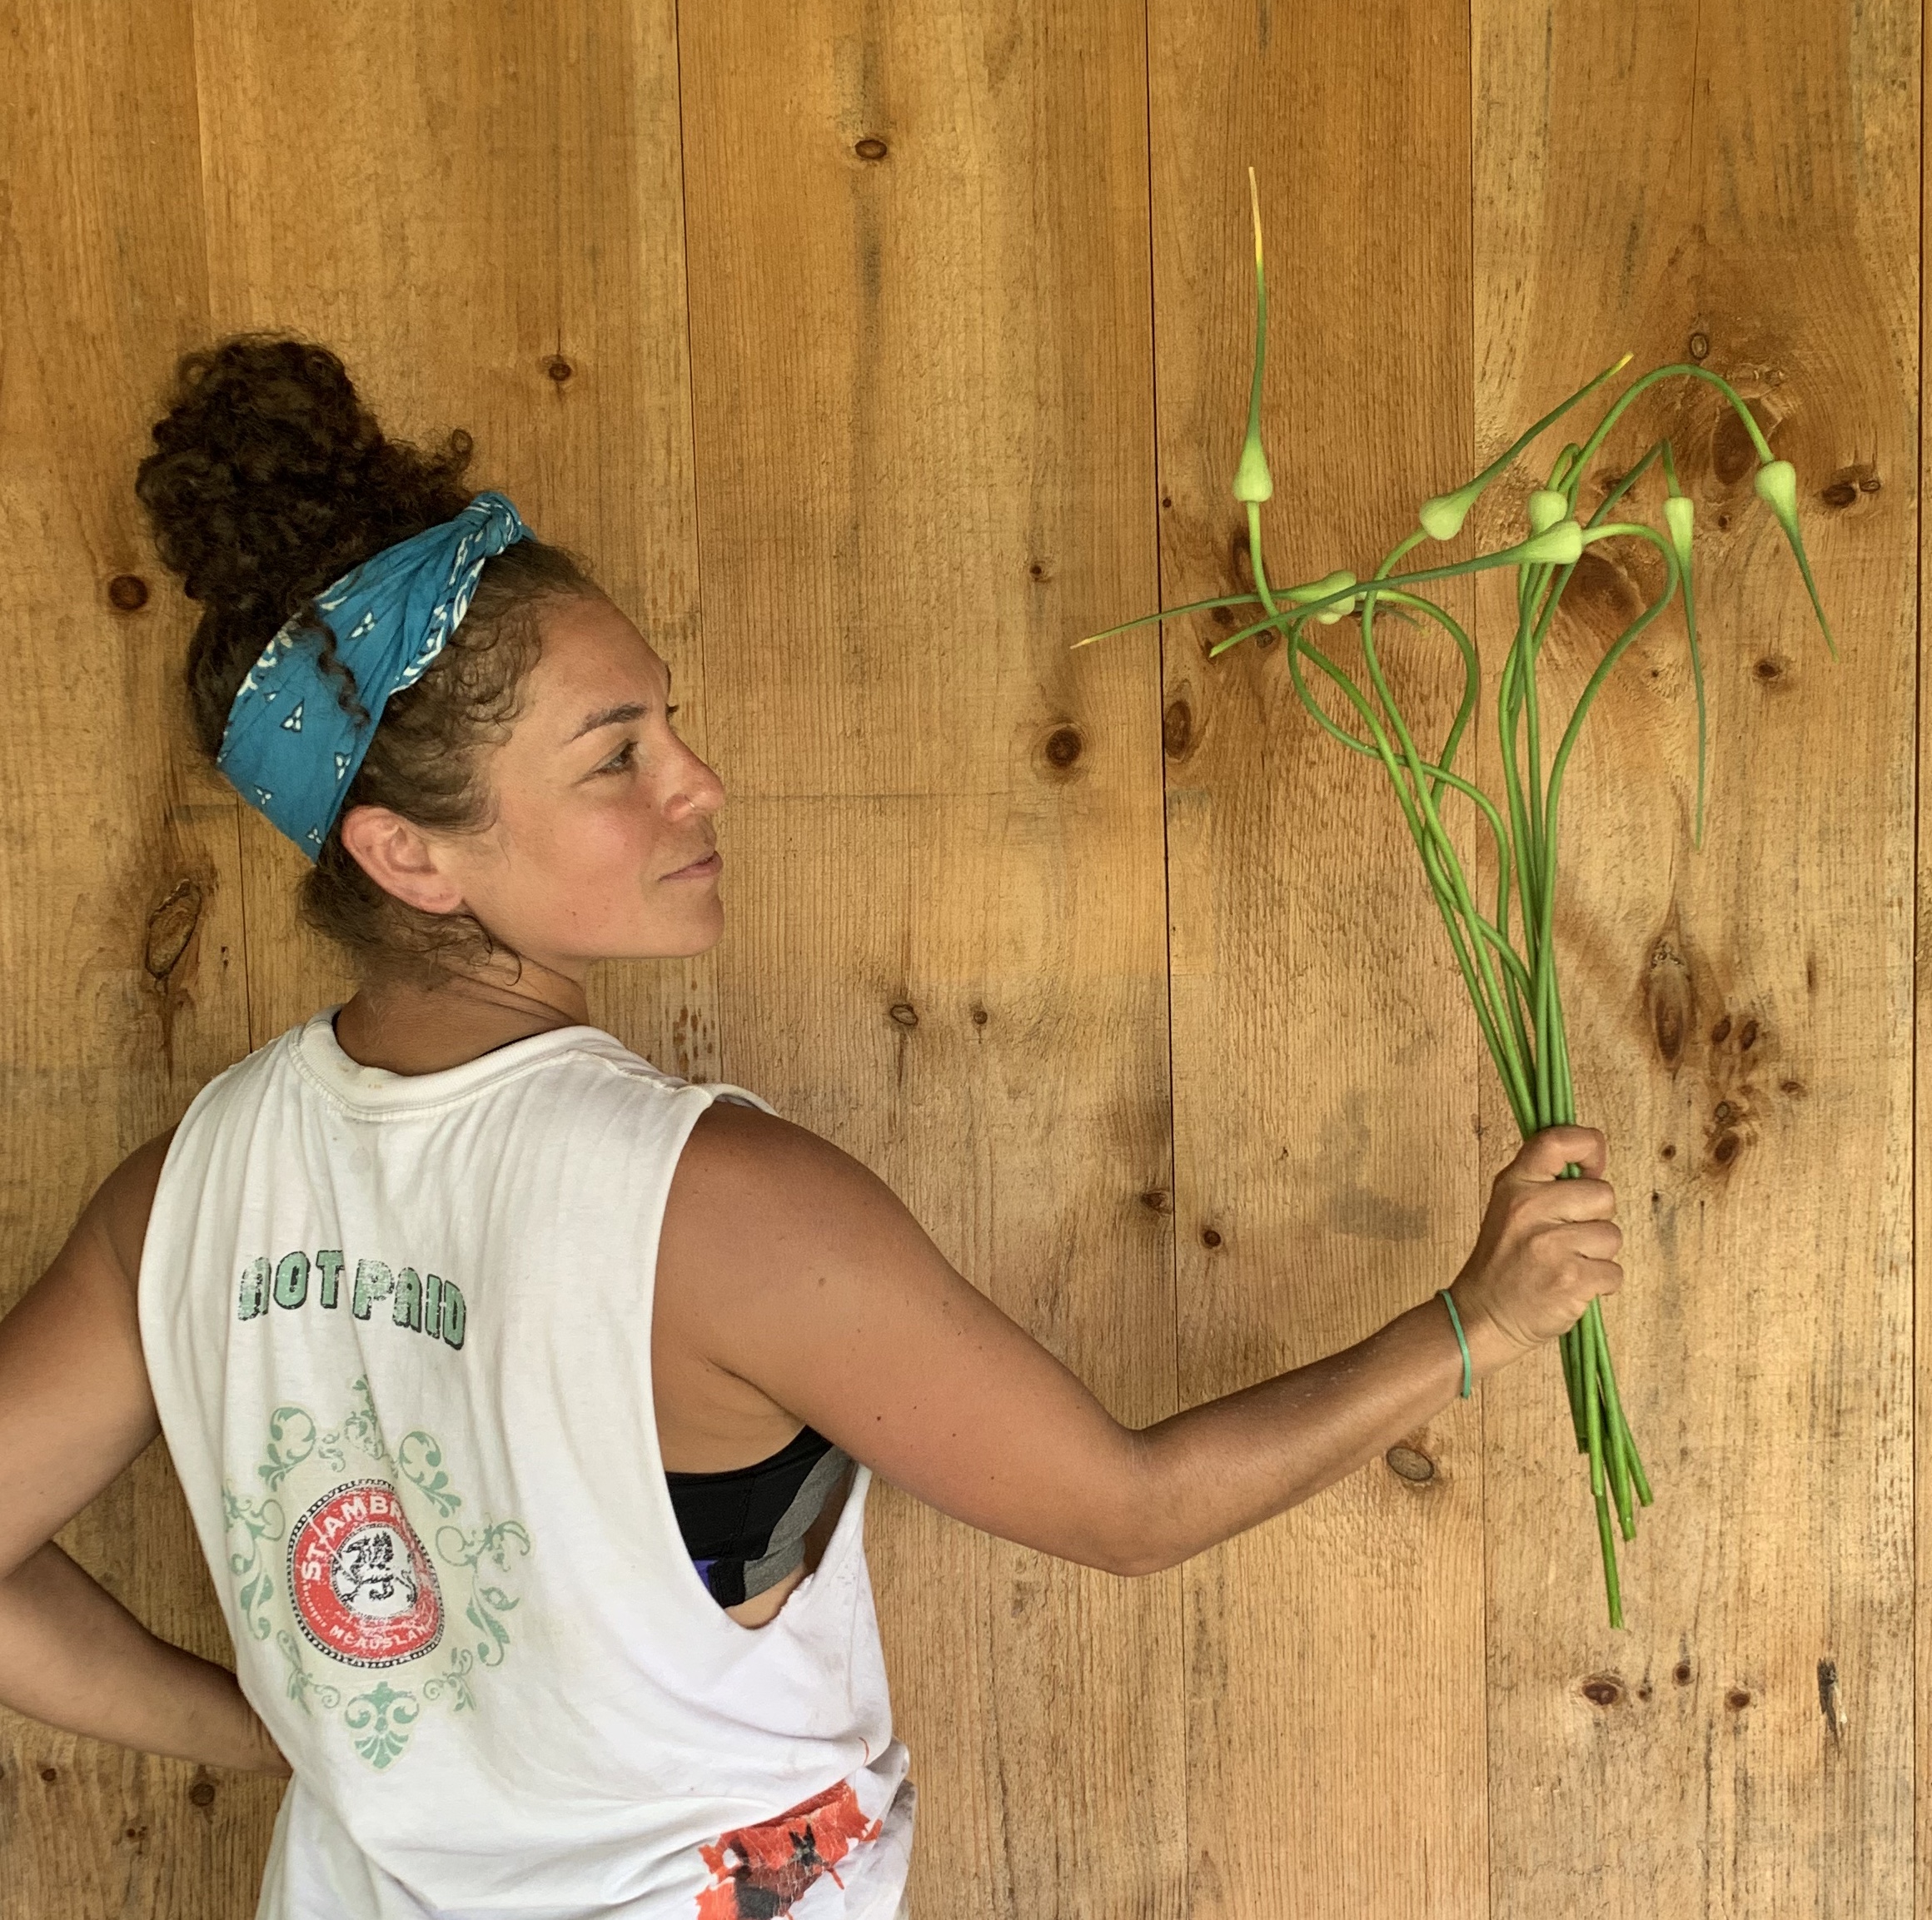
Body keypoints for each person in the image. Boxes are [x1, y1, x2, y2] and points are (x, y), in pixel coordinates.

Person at [0, 336, 1624, 1920]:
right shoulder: (712, 1204)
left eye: (669, 725)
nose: (698, 781)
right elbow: (1128, 1512)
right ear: (408, 855)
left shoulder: (185, 1193)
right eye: (617, 756)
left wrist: (285, 1732)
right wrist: (1474, 1324)